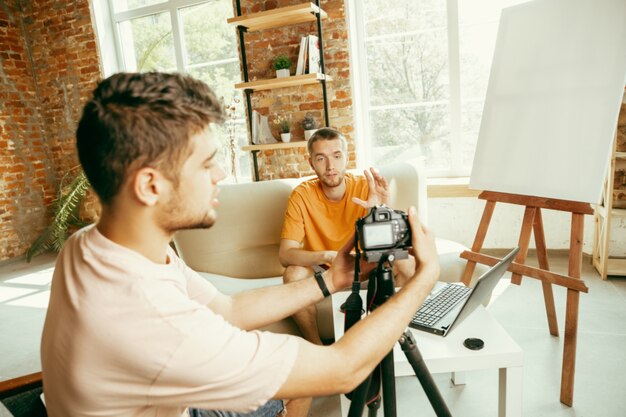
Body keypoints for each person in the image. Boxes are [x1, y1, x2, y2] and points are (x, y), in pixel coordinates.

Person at [40, 72, 440, 417]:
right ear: (150, 185)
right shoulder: (151, 316)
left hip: (157, 399)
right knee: (296, 382)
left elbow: (228, 309)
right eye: (205, 162)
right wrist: (424, 278)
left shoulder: (93, 246)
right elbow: (343, 369)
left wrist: (332, 279)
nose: (221, 173)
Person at [279, 127, 415, 344]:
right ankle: (319, 349)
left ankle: (392, 339)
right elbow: (286, 255)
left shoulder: (365, 187)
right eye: (321, 158)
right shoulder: (301, 195)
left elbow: (395, 248)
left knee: (407, 264)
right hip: (325, 272)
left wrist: (382, 210)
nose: (330, 166)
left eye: (336, 156)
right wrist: (326, 256)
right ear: (311, 162)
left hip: (365, 267)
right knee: (293, 274)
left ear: (347, 158)